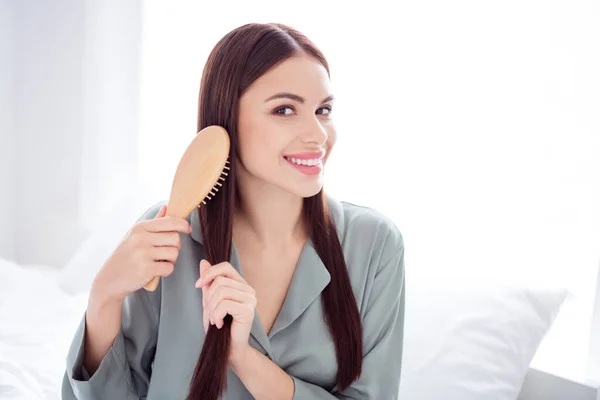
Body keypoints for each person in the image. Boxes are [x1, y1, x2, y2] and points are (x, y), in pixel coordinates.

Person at [61, 22, 406, 400]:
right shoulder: (168, 234)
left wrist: (244, 359)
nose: (318, 134)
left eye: (323, 110)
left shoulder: (374, 245)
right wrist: (104, 296)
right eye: (285, 109)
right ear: (227, 118)